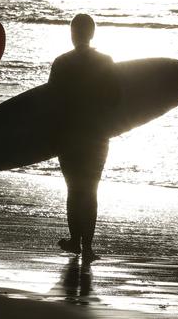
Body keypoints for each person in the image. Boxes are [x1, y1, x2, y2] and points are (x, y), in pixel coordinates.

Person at [48, 14, 120, 262]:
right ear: (92, 34)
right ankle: (87, 246)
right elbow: (115, 100)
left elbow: (52, 102)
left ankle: (75, 241)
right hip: (97, 136)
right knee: (90, 190)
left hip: (68, 135)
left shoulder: (61, 63)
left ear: (72, 33)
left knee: (73, 189)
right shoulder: (106, 61)